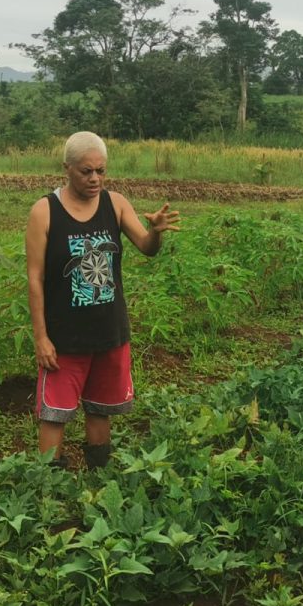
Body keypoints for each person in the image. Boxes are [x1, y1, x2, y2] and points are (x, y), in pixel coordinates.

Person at [26, 131, 180, 469]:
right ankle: (49, 486)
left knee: (100, 409)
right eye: (86, 171)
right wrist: (41, 337)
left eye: (101, 170)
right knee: (54, 415)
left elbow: (147, 248)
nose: (95, 178)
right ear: (67, 168)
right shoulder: (45, 212)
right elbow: (35, 279)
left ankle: (99, 478)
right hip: (64, 338)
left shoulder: (116, 203)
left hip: (109, 332)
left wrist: (155, 231)